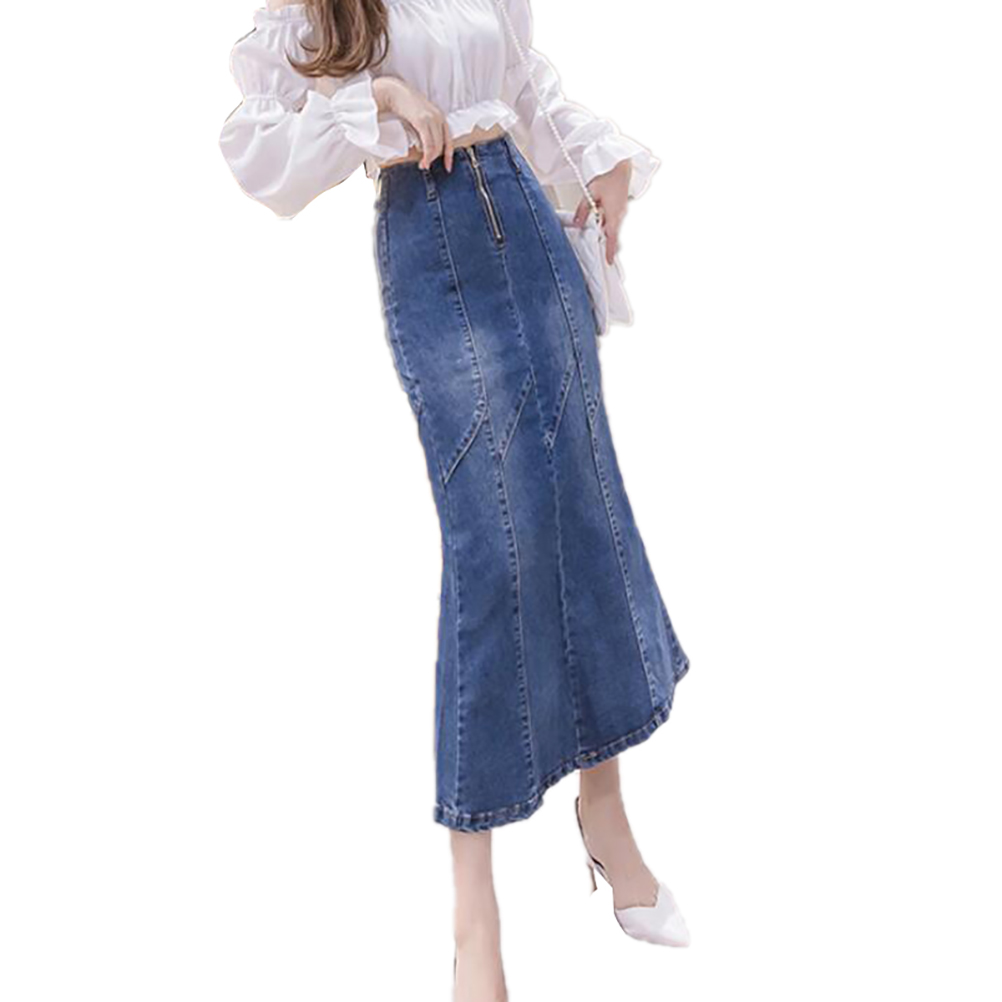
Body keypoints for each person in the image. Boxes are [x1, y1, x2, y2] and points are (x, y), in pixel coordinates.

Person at [219, 0, 692, 996]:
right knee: (495, 557)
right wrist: (376, 95)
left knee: (585, 515)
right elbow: (256, 151)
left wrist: (595, 165)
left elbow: (523, 84)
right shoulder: (320, 10)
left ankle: (606, 812)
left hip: (527, 225)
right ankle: (474, 912)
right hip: (431, 238)